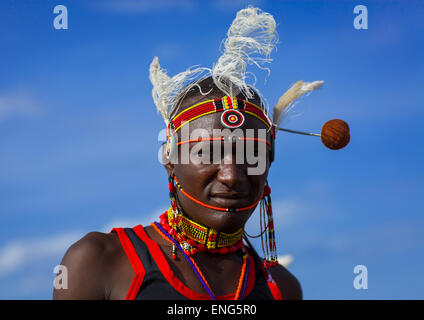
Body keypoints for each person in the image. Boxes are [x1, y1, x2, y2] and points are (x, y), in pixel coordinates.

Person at [53, 6, 323, 300]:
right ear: (169, 160)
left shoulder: (282, 288)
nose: (232, 175)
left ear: (269, 163)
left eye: (251, 155)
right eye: (207, 153)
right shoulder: (99, 262)